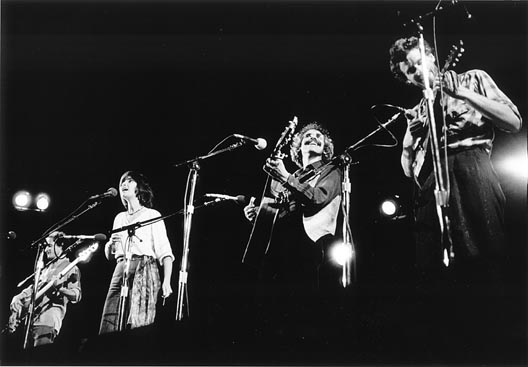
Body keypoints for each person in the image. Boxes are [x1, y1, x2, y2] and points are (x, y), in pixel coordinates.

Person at [389, 36, 522, 356]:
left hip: (471, 170)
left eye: (420, 60)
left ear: (432, 56)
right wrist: (409, 138)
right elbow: (409, 170)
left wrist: (460, 94)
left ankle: (493, 348)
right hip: (430, 186)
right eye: (410, 70)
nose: (418, 70)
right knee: (436, 275)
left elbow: (513, 121)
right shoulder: (418, 109)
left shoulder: (471, 78)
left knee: (484, 260)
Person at [243, 122, 343, 344]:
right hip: (277, 246)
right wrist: (258, 215)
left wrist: (286, 177)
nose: (313, 137)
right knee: (268, 311)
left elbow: (317, 198)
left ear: (326, 146)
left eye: (319, 136)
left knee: (299, 314)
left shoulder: (331, 170)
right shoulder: (292, 174)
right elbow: (277, 211)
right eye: (307, 136)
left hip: (306, 244)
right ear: (298, 147)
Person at [99, 171, 174, 334]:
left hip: (144, 267)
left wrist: (167, 281)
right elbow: (110, 256)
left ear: (139, 188)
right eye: (122, 182)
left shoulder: (152, 215)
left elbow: (165, 252)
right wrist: (111, 245)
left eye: (129, 181)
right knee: (111, 317)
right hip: (120, 268)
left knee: (138, 320)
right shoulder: (119, 218)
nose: (123, 184)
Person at [9, 231, 82, 347]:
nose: (45, 250)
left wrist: (61, 289)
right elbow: (34, 288)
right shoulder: (45, 269)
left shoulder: (70, 267)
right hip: (31, 320)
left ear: (60, 245)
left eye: (49, 245)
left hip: (47, 320)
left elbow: (76, 296)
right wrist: (18, 297)